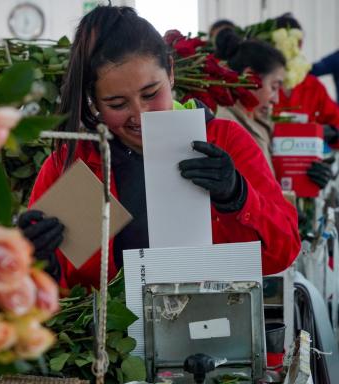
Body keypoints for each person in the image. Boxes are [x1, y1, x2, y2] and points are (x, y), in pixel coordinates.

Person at [18, 6, 300, 290]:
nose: (140, 115)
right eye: (117, 104)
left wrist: (238, 195)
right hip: (109, 334)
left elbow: (283, 252)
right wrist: (40, 265)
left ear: (171, 71)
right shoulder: (76, 167)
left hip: (211, 327)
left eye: (151, 94)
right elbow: (48, 295)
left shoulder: (223, 140)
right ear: (94, 99)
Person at [215, 28, 332, 189]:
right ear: (250, 77)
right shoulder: (226, 124)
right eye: (274, 86)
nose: (276, 99)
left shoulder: (257, 120)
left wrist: (307, 174)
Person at [271, 13, 339, 147]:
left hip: (307, 164)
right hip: (265, 162)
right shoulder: (256, 85)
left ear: (300, 44)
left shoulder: (313, 86)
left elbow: (335, 122)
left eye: (293, 43)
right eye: (282, 44)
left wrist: (332, 132)